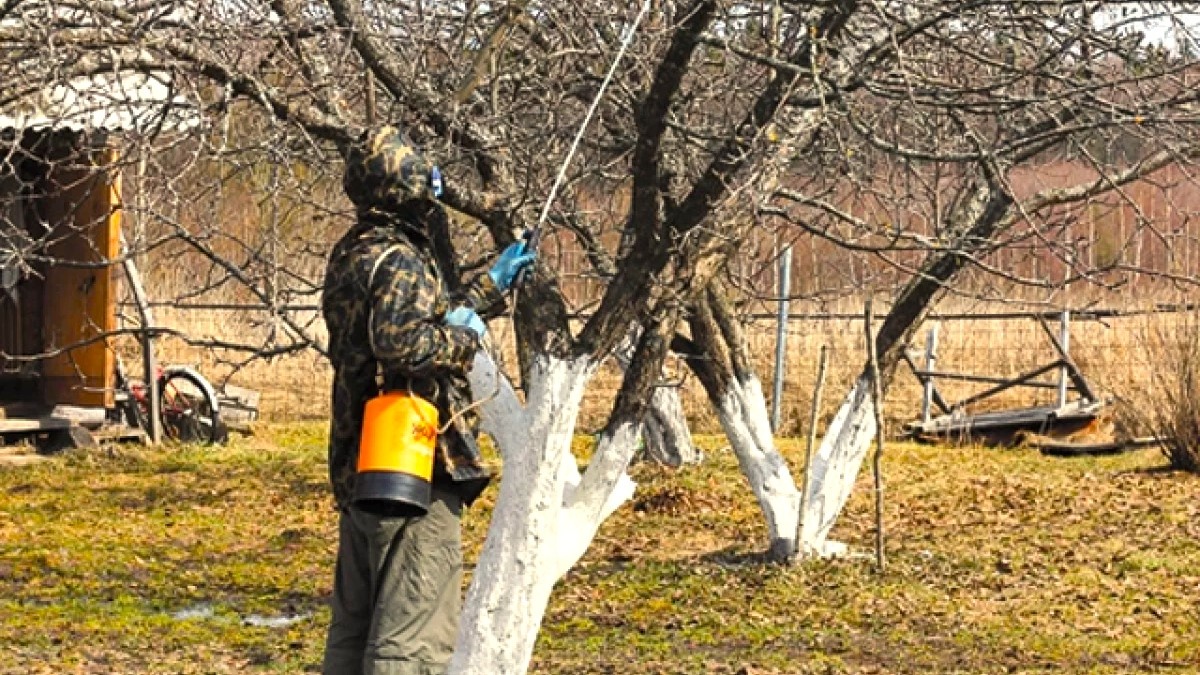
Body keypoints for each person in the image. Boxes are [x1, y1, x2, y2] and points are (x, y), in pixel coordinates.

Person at [321, 126, 534, 675]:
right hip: (413, 470)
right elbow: (406, 346)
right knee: (409, 647)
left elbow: (404, 324)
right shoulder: (400, 261)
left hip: (361, 468)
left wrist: (485, 291)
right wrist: (465, 337)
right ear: (411, 192)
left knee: (353, 634)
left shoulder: (353, 255)